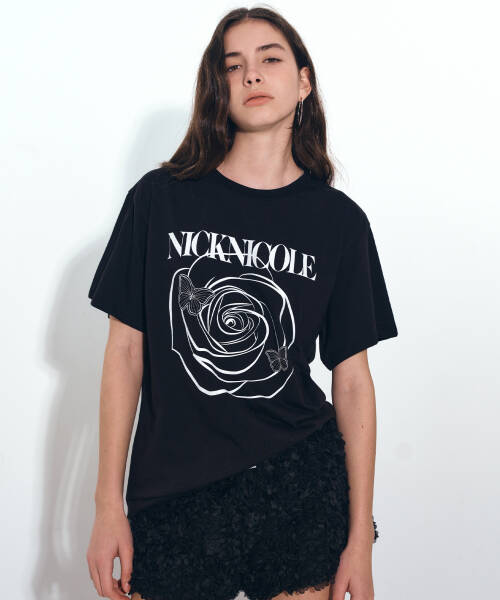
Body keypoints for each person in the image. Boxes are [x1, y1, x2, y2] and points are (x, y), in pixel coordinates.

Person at [86, 6, 398, 600]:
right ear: (218, 88)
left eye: (269, 59)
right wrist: (107, 505)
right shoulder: (159, 201)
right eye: (233, 66)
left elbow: (353, 380)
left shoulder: (340, 223)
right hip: (173, 493)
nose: (251, 74)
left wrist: (359, 537)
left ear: (303, 82)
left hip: (299, 483)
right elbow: (125, 354)